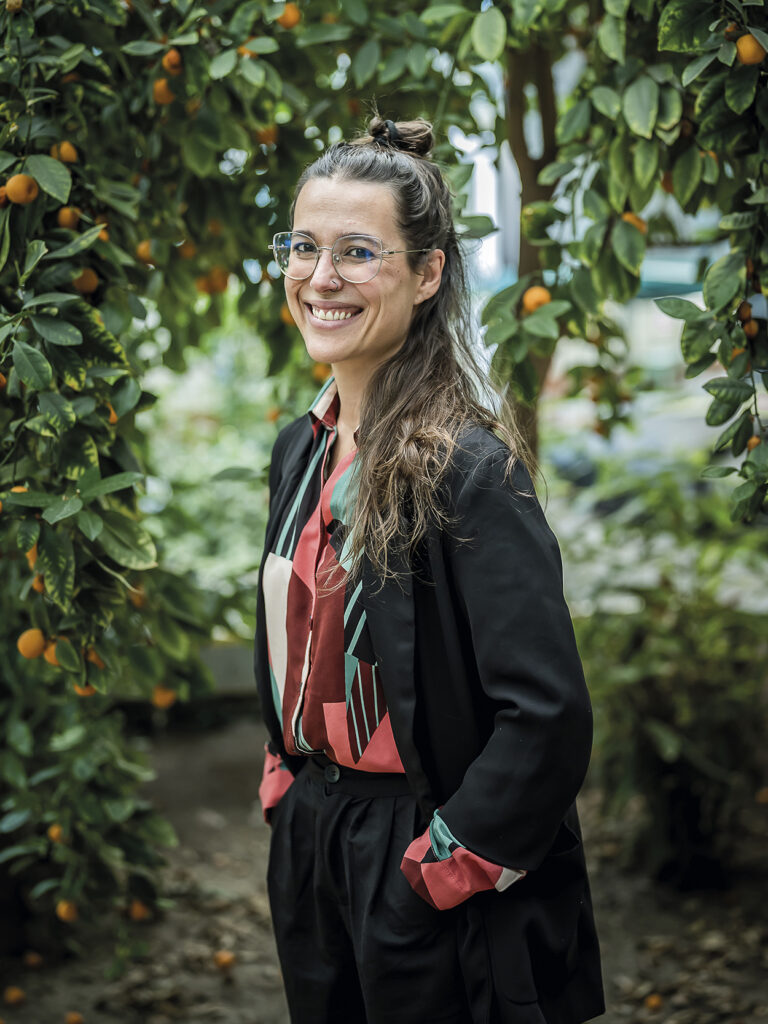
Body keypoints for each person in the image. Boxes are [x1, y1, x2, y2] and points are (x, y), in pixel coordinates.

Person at [253, 114, 604, 1024]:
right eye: (303, 246)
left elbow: (547, 711)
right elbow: (293, 633)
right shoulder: (302, 447)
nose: (320, 278)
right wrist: (287, 777)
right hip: (318, 842)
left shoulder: (468, 468)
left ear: (428, 272)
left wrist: (445, 862)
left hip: (425, 852)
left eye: (358, 252)